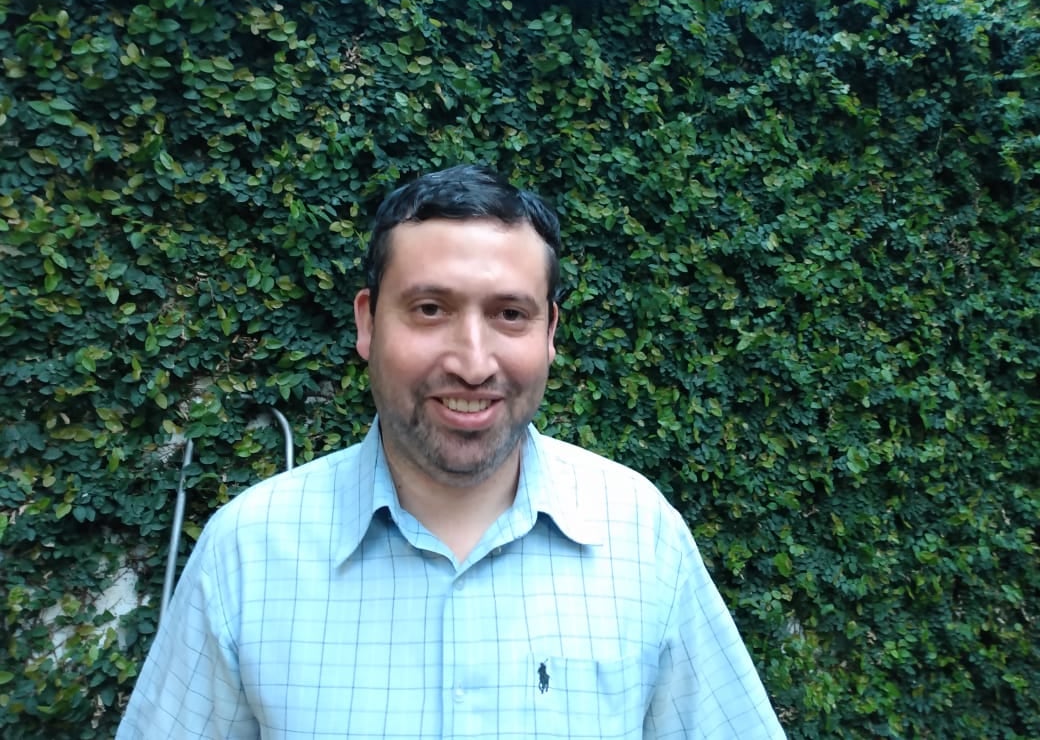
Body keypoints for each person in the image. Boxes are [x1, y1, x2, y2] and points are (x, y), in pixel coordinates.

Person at [117, 165, 786, 739]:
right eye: (430, 309)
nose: (472, 362)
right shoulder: (246, 553)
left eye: (510, 314)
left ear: (550, 332)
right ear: (367, 322)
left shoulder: (642, 538)